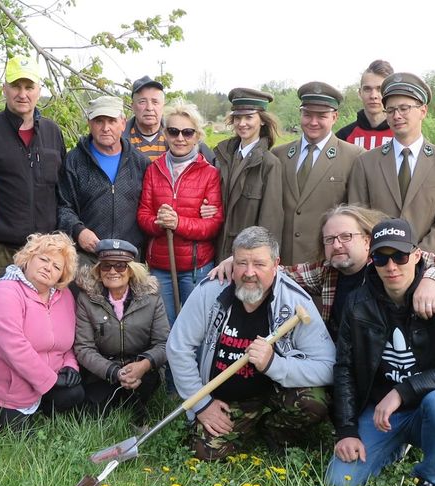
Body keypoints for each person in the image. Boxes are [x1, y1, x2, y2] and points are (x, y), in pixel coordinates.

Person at [324, 219, 435, 486]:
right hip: (380, 414)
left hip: (428, 407)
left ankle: (430, 478)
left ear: (417, 255)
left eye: (400, 256)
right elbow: (345, 367)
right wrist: (347, 430)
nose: (391, 266)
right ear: (372, 260)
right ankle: (395, 444)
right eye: (382, 259)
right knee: (340, 482)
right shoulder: (358, 303)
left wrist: (403, 391)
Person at [167, 226, 335, 461]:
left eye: (259, 264)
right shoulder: (210, 291)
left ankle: (274, 431)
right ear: (232, 263)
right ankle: (242, 426)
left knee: (313, 402)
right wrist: (202, 405)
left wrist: (273, 364)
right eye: (241, 263)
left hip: (275, 394)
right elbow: (178, 347)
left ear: (276, 264)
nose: (249, 272)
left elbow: (328, 366)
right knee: (207, 453)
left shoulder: (295, 302)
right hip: (224, 399)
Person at [211, 204, 435, 341]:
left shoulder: (388, 261)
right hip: (343, 358)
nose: (337, 245)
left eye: (346, 237)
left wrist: (432, 280)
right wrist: (244, 260)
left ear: (368, 240)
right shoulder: (327, 273)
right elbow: (278, 272)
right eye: (329, 239)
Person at [0, 55, 67, 291]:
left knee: (40, 318)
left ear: (39, 90)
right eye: (16, 86)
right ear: (4, 89)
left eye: (29, 87)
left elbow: (62, 190)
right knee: (1, 320)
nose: (22, 94)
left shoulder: (52, 132)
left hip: (44, 250)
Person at [0, 232, 83, 430]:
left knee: (74, 393)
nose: (48, 268)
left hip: (42, 382)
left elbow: (67, 342)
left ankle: (39, 409)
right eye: (43, 259)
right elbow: (14, 350)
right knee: (16, 439)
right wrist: (51, 380)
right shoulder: (5, 292)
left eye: (56, 266)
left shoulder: (65, 297)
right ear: (28, 259)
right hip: (2, 387)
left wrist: (71, 366)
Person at [347, 72, 435, 255]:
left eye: (404, 108)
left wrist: (417, 257)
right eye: (391, 110)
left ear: (423, 111)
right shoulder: (365, 162)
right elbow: (358, 216)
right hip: (378, 262)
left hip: (426, 263)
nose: (396, 116)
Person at [136, 101, 224, 327]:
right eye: (173, 131)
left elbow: (213, 224)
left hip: (197, 267)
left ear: (197, 136)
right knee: (165, 327)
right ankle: (167, 364)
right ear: (165, 133)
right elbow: (143, 215)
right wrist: (159, 223)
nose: (180, 138)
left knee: (196, 328)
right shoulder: (154, 170)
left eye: (187, 132)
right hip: (161, 267)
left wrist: (178, 223)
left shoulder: (209, 174)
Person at [74, 239, 169, 421]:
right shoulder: (86, 299)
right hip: (103, 371)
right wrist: (115, 372)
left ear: (131, 270)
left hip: (141, 369)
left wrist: (143, 366)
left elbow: (163, 343)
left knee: (135, 401)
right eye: (106, 266)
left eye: (120, 266)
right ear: (99, 270)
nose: (112, 271)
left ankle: (137, 409)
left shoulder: (152, 298)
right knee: (94, 414)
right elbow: (83, 348)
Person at [271, 81, 362, 264]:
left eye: (321, 116)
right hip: (282, 262)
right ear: (300, 114)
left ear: (334, 117)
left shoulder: (354, 157)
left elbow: (356, 215)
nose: (313, 122)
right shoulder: (278, 155)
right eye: (307, 115)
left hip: (325, 262)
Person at [57, 95, 152, 267]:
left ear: (123, 123)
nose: (106, 128)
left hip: (129, 258)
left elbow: (151, 205)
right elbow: (63, 206)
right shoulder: (74, 161)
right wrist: (79, 231)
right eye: (99, 121)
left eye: (112, 121)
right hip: (87, 258)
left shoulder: (140, 162)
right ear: (89, 123)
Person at [213, 88, 285, 258]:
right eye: (237, 117)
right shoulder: (221, 156)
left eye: (249, 117)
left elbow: (270, 220)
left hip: (247, 256)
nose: (242, 123)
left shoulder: (269, 164)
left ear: (262, 121)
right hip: (216, 251)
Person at [127, 75, 214, 163]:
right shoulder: (120, 140)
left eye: (155, 102)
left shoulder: (185, 135)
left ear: (163, 105)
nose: (149, 108)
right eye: (142, 102)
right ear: (133, 106)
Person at [335, 59, 394, 150]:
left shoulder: (402, 135)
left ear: (390, 92)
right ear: (359, 93)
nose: (373, 96)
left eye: (380, 89)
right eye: (367, 89)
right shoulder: (342, 137)